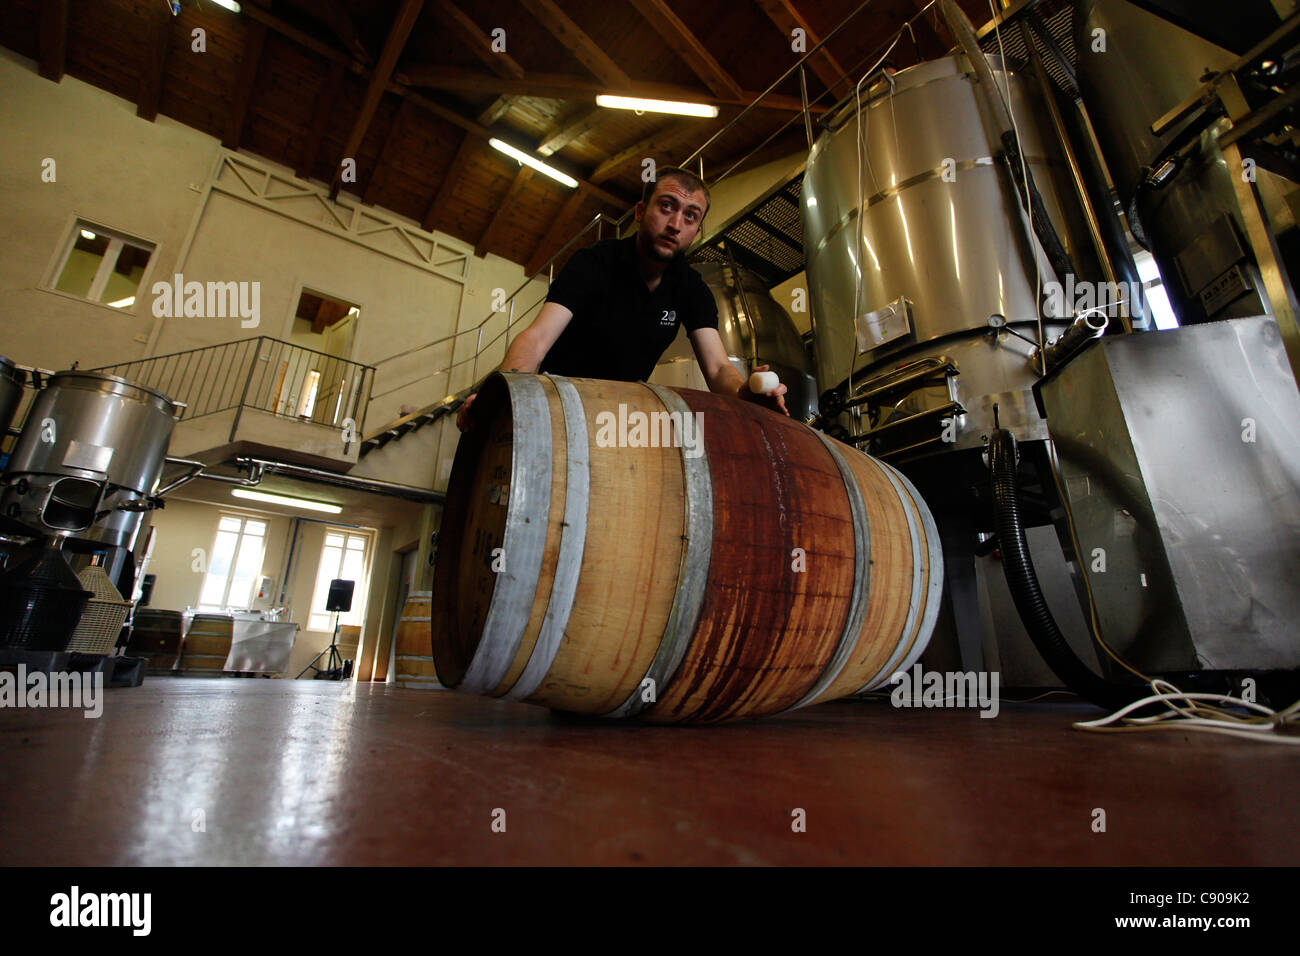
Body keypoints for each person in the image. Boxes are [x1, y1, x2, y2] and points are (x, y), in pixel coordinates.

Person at [456, 166, 788, 431]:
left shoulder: (692, 288)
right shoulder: (594, 261)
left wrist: (744, 392)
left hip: (617, 414)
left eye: (690, 215)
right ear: (641, 211)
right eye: (667, 206)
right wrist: (499, 394)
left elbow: (718, 369)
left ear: (697, 230)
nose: (675, 224)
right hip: (556, 396)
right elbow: (538, 338)